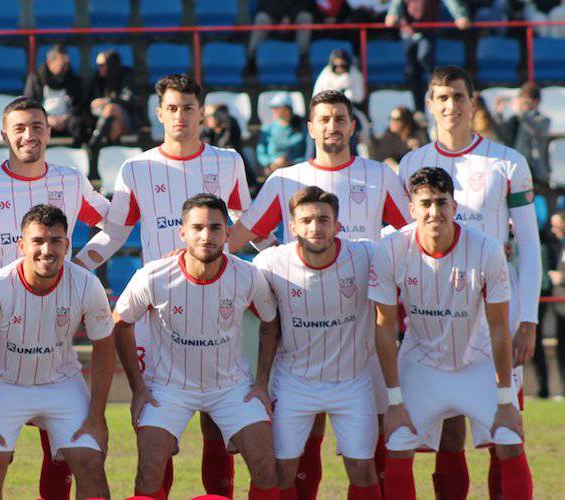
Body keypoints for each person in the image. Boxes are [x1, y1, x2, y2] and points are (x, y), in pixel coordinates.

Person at [74, 74, 253, 498]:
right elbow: (115, 233)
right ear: (159, 114)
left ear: (201, 112)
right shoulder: (137, 168)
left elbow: (247, 226)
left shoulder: (227, 161)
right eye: (172, 108)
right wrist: (75, 270)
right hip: (158, 313)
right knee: (157, 428)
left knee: (217, 421)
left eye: (188, 107)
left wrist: (284, 259)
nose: (180, 116)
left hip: (215, 305)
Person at [227, 89, 411, 500]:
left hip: (363, 333)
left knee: (375, 445)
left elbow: (410, 235)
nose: (333, 126)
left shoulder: (379, 175)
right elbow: (243, 236)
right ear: (310, 127)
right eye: (324, 119)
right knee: (295, 446)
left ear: (351, 125)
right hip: (304, 332)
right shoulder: (284, 179)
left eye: (340, 118)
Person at [0, 96, 110, 500]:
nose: (29, 135)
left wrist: (85, 261)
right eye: (19, 128)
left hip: (55, 317)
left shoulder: (70, 180)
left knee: (62, 450)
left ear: (49, 131)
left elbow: (116, 221)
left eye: (37, 126)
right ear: (4, 134)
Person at [397, 65, 541, 499]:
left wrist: (529, 319)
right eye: (441, 98)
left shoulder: (507, 162)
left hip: (494, 309)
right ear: (429, 104)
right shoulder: (411, 163)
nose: (450, 106)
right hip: (434, 311)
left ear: (472, 102)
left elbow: (529, 246)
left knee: (505, 427)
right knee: (448, 430)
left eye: (458, 97)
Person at [370, 166, 533, 499]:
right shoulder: (390, 249)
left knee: (509, 440)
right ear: (412, 209)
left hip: (476, 361)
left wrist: (505, 398)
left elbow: (500, 327)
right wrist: (395, 400)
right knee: (399, 443)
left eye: (442, 202)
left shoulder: (486, 248)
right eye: (426, 203)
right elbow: (385, 328)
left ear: (454, 207)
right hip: (421, 363)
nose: (434, 212)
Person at [113, 194, 280, 500]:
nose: (206, 236)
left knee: (266, 467)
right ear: (182, 232)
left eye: (216, 228)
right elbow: (120, 323)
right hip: (168, 387)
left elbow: (271, 323)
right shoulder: (153, 276)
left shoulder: (247, 274)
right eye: (198, 227)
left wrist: (261, 383)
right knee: (149, 468)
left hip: (232, 386)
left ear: (227, 233)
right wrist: (138, 388)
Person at [252, 186, 383, 499]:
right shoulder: (270, 263)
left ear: (338, 226)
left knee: (363, 470)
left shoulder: (366, 254)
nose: (315, 227)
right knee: (281, 471)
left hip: (352, 382)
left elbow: (412, 248)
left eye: (324, 219)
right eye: (306, 220)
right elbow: (226, 274)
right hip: (294, 383)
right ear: (292, 226)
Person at [385, 0, 471, 111]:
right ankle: (419, 110)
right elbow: (396, 4)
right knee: (412, 72)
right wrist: (392, 15)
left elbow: (451, 2)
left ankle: (438, 91)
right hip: (408, 32)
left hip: (427, 31)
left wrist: (460, 16)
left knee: (424, 59)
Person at [24, 44, 90, 146]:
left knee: (79, 125)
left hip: (67, 121)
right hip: (44, 120)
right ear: (50, 63)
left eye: (67, 64)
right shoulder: (35, 79)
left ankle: (78, 153)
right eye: (62, 65)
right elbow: (29, 104)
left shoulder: (73, 79)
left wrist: (66, 117)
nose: (65, 68)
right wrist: (47, 119)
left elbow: (78, 105)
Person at [494, 82, 552, 192]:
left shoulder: (544, 120)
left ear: (535, 101)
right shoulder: (515, 119)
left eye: (525, 99)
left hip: (535, 172)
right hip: (515, 167)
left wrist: (520, 112)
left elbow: (535, 131)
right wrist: (499, 113)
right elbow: (501, 134)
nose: (522, 102)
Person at [244, 0, 314, 73]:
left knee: (306, 16)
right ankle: (252, 58)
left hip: (293, 18)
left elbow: (305, 3)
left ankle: (302, 58)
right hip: (273, 17)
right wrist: (281, 19)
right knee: (261, 18)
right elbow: (264, 4)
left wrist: (289, 17)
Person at [86, 49, 135, 150]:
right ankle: (112, 152)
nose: (99, 68)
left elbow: (128, 100)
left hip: (128, 120)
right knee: (114, 123)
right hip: (103, 121)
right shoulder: (97, 78)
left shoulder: (126, 76)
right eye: (98, 65)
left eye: (102, 64)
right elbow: (91, 104)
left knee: (111, 108)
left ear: (111, 64)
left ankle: (95, 141)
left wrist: (107, 101)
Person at [256, 94, 306, 176]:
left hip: (298, 172)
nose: (274, 110)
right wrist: (274, 162)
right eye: (273, 108)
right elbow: (261, 154)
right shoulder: (267, 129)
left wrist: (290, 163)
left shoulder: (302, 129)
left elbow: (308, 154)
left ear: (288, 109)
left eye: (277, 107)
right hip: (273, 172)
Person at [369, 106, 429, 171]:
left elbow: (425, 157)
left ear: (405, 121)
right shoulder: (388, 136)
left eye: (396, 119)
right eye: (391, 118)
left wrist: (416, 149)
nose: (392, 122)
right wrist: (398, 170)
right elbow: (385, 157)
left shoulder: (418, 134)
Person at [544, 211, 565, 400]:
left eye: (557, 225)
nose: (553, 229)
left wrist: (562, 278)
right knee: (560, 350)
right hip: (559, 309)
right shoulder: (559, 247)